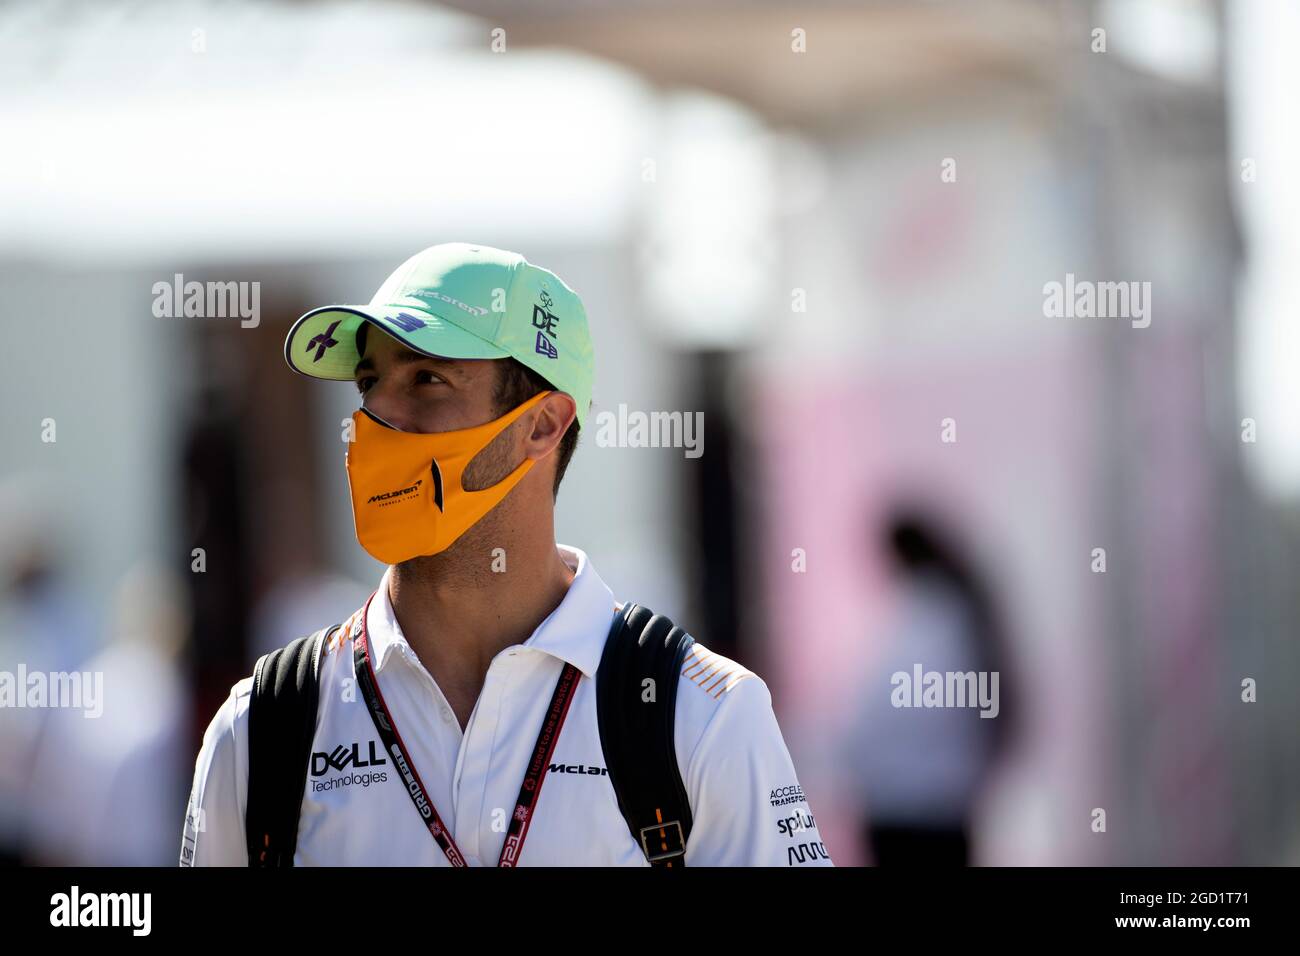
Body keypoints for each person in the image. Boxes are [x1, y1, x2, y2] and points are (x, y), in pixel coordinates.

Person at [180, 242, 832, 867]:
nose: (376, 415)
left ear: (543, 424)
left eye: (426, 379)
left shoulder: (703, 715)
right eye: (369, 382)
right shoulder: (262, 728)